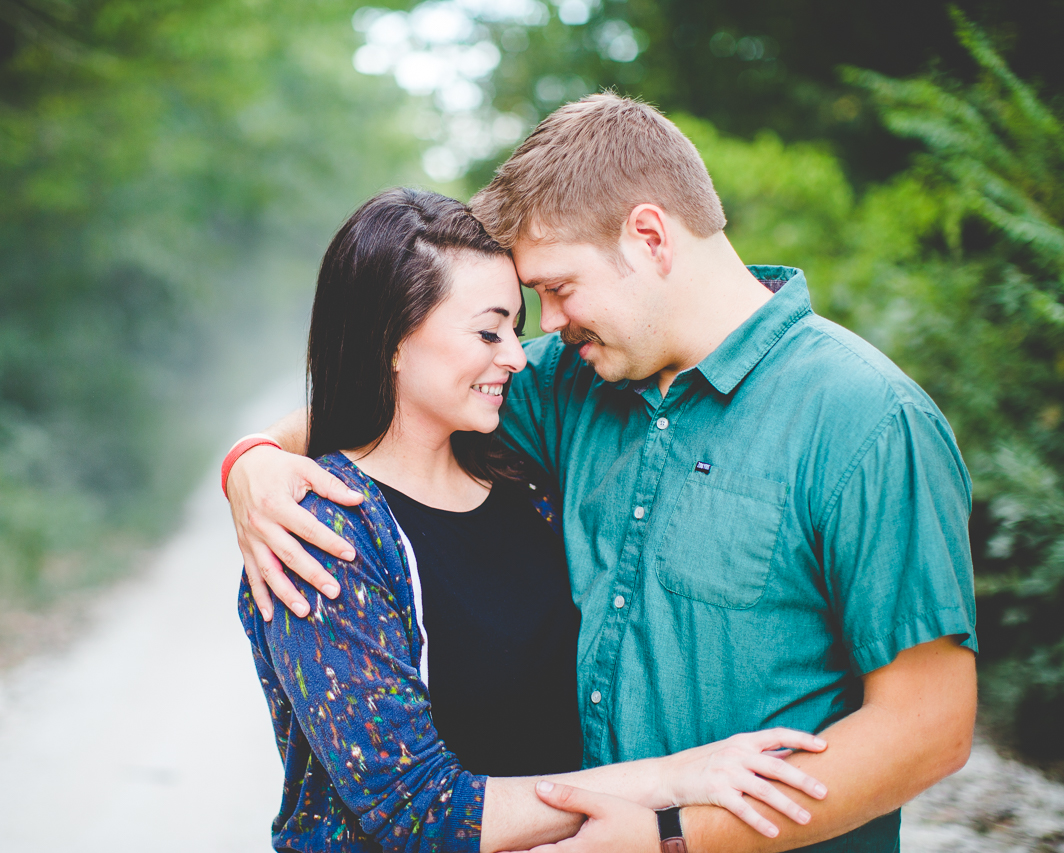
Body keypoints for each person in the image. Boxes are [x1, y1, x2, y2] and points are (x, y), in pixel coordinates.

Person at [226, 95, 979, 853]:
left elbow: (929, 728)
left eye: (557, 287)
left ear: (648, 237)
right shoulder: (572, 382)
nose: (543, 326)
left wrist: (673, 836)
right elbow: (394, 403)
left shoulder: (869, 419)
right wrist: (252, 461)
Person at [237, 187, 832, 853]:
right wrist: (679, 779)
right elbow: (414, 810)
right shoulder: (323, 528)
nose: (518, 357)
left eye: (514, 330)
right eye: (488, 330)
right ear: (392, 340)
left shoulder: (525, 482)